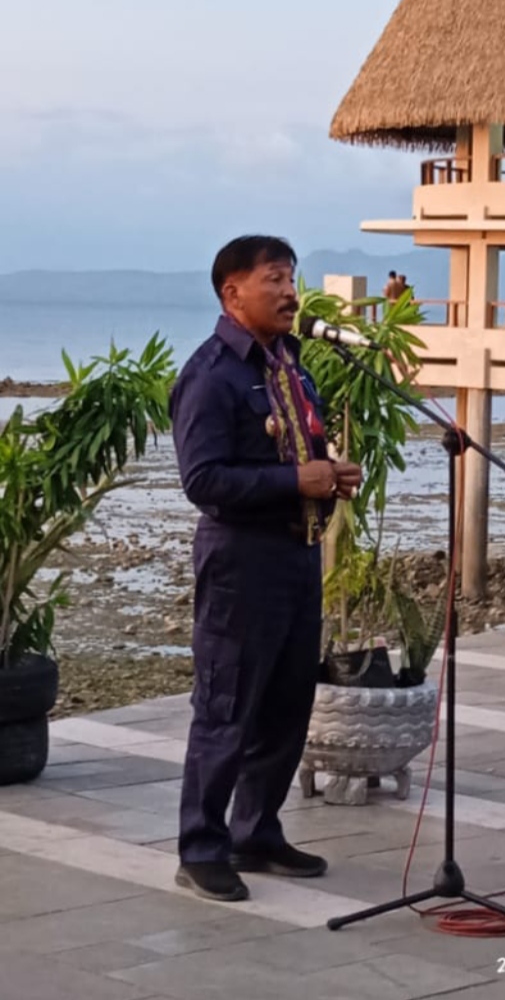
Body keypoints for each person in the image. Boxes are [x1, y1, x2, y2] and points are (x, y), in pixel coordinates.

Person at [170, 235, 362, 903]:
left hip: (297, 556)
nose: (290, 292)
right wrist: (293, 480)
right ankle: (201, 846)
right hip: (239, 562)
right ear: (232, 292)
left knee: (286, 703)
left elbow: (299, 458)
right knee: (226, 707)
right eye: (275, 278)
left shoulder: (291, 365)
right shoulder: (211, 374)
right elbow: (203, 480)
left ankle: (257, 830)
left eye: (292, 278)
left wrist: (328, 475)